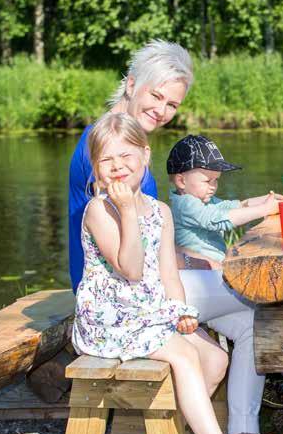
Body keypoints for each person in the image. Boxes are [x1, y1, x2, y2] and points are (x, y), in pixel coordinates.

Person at [71, 113, 278, 434]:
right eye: (107, 160)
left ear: (145, 156)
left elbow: (169, 274)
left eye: (127, 156)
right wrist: (129, 212)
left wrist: (183, 312)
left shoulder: (162, 211)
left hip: (148, 313)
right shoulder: (98, 211)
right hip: (111, 321)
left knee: (216, 358)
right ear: (96, 169)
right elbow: (131, 269)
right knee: (185, 357)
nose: (118, 166)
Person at [166, 134, 283, 434]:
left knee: (253, 326)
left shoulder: (201, 199)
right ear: (181, 179)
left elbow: (233, 205)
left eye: (216, 181)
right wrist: (263, 211)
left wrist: (265, 201)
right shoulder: (184, 205)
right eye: (207, 179)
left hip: (205, 291)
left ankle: (242, 432)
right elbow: (220, 219)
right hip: (186, 290)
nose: (212, 187)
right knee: (259, 295)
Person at [68, 39, 193, 292]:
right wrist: (192, 262)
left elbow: (147, 234)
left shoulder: (115, 141)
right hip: (117, 292)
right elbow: (128, 257)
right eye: (156, 96)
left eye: (172, 105)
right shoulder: (105, 151)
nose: (161, 111)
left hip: (137, 281)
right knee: (237, 292)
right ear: (132, 84)